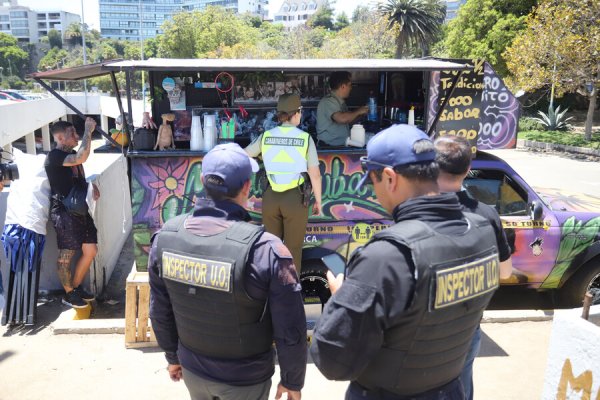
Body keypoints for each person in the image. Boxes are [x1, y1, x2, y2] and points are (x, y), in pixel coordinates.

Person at [310, 124, 501, 400]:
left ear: (390, 178)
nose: (375, 195)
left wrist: (341, 300)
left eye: (373, 183)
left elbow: (332, 361)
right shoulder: (482, 233)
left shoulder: (386, 257)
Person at [149, 143, 307, 400]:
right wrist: (292, 380)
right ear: (247, 187)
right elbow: (290, 325)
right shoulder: (266, 250)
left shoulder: (165, 238)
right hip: (245, 380)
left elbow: (159, 310)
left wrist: (172, 357)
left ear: (202, 181)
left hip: (194, 372)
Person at [434, 135, 513, 400]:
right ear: (468, 169)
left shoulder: (415, 211)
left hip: (424, 326)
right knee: (461, 386)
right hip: (467, 326)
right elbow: (505, 272)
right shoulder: (487, 214)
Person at [245, 93, 322, 274]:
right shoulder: (305, 138)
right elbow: (315, 174)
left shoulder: (266, 136)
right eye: (300, 111)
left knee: (270, 248)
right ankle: (289, 288)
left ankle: (269, 287)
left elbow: (244, 154)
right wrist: (319, 201)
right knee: (293, 249)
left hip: (271, 197)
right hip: (295, 199)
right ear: (296, 113)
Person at [44, 119, 99, 309]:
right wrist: (88, 131)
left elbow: (76, 178)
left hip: (80, 209)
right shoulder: (54, 156)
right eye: (72, 133)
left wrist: (91, 187)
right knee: (66, 255)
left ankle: (75, 288)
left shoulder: (71, 155)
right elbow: (81, 157)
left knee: (91, 250)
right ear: (60, 138)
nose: (76, 137)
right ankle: (69, 294)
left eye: (77, 133)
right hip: (65, 212)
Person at [316, 71, 368, 146]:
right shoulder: (328, 101)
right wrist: (358, 111)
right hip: (328, 148)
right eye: (350, 85)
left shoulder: (340, 102)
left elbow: (347, 121)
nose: (351, 88)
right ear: (343, 86)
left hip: (340, 146)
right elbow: (342, 119)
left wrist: (361, 115)